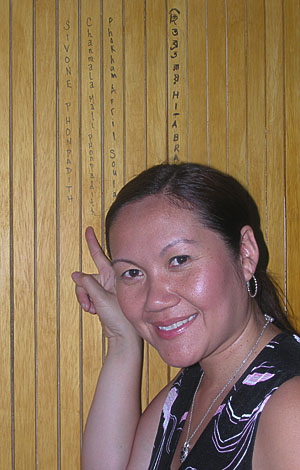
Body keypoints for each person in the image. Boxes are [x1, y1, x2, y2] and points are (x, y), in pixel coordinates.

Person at [72, 163, 300, 470]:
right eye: (133, 273)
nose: (154, 299)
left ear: (245, 253)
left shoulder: (289, 408)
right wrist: (122, 338)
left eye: (179, 260)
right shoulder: (194, 386)